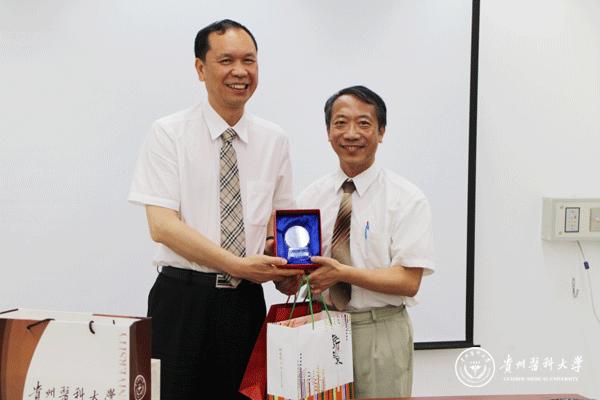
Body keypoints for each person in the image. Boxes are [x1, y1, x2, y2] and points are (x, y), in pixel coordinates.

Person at [128, 19, 302, 400]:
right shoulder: (168, 133)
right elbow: (162, 226)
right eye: (226, 60)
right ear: (200, 68)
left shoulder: (274, 140)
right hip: (182, 300)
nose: (240, 71)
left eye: (249, 60)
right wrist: (237, 264)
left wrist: (286, 269)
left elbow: (278, 227)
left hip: (244, 304)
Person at [292, 85, 435, 398]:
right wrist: (282, 270)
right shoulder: (310, 198)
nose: (351, 133)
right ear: (328, 132)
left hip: (379, 329)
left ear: (381, 132)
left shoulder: (406, 199)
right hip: (321, 325)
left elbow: (409, 281)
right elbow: (297, 275)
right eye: (340, 123)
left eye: (364, 123)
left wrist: (343, 273)